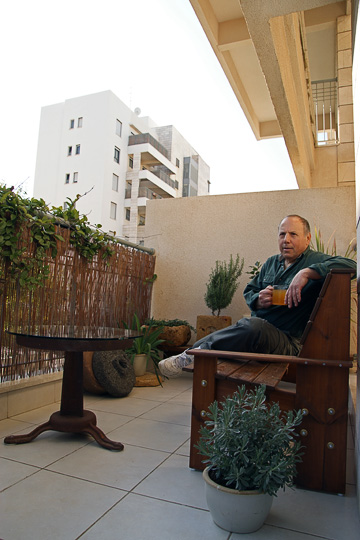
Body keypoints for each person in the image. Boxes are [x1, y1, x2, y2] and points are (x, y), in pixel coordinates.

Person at [158, 215, 356, 378]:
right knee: (249, 326)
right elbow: (250, 290)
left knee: (252, 326)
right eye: (282, 234)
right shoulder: (272, 263)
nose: (286, 239)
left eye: (293, 234)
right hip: (259, 332)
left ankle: (191, 354)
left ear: (307, 238)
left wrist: (307, 273)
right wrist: (258, 300)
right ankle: (192, 353)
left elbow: (352, 266)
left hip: (288, 342)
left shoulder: (316, 260)